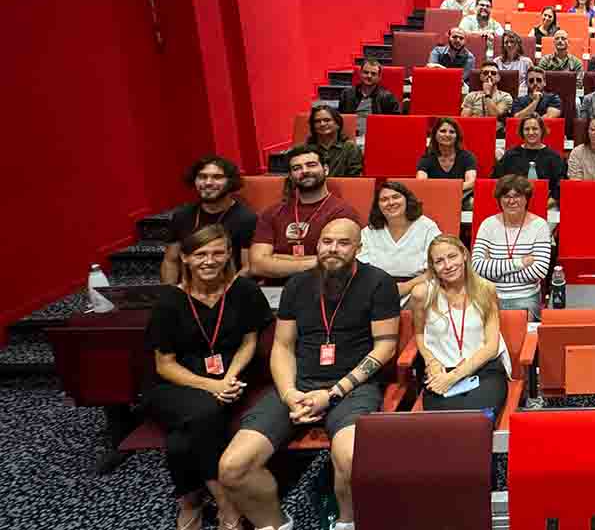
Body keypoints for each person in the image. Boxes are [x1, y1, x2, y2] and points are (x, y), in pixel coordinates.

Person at [218, 219, 399, 530]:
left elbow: (385, 346)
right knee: (233, 467)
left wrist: (332, 394)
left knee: (352, 459)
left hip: (353, 387)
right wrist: (290, 394)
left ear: (359, 247)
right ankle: (275, 524)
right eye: (327, 241)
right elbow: (283, 347)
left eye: (343, 243)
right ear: (318, 244)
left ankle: (346, 523)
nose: (333, 248)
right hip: (298, 384)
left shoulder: (378, 283)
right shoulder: (298, 285)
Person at [145, 225, 271, 530]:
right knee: (206, 411)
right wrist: (213, 385)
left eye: (218, 252)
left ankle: (188, 501)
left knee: (180, 441)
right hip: (177, 384)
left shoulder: (244, 291)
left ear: (229, 254)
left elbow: (249, 341)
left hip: (230, 377)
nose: (209, 260)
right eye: (200, 254)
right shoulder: (168, 302)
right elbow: (165, 365)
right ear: (185, 258)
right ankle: (226, 502)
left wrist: (229, 377)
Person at [410, 235, 512, 420]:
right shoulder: (422, 294)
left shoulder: (486, 289)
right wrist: (431, 361)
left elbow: (491, 347)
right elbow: (419, 334)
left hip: (483, 369)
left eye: (452, 256)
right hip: (441, 372)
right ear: (433, 267)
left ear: (464, 255)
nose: (448, 265)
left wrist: (453, 378)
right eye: (439, 261)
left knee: (478, 421)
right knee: (445, 426)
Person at [250, 146, 362, 282]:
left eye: (311, 165)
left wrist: (277, 258)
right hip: (274, 289)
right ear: (290, 176)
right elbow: (257, 265)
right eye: (297, 168)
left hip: (323, 286)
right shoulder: (272, 213)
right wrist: (317, 260)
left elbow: (339, 262)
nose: (305, 171)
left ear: (325, 169)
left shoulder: (342, 212)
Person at [162, 156, 258, 285]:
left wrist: (220, 294)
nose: (208, 183)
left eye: (217, 177)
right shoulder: (182, 216)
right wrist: (171, 293)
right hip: (189, 289)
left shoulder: (246, 219)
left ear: (230, 181)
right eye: (202, 177)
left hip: (227, 288)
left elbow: (248, 268)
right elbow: (171, 261)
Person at [471, 175, 552, 321]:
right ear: (499, 199)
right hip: (490, 296)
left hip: (525, 298)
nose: (511, 201)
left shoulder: (539, 226)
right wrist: (520, 263)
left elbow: (539, 271)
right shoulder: (488, 225)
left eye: (517, 196)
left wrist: (494, 271)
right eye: (506, 196)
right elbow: (477, 267)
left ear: (526, 199)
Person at [357, 181, 442, 298]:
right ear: (378, 205)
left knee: (421, 293)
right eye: (384, 199)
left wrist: (407, 286)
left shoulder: (426, 227)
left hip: (416, 287)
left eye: (396, 197)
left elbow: (438, 265)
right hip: (377, 289)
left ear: (407, 200)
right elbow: (360, 269)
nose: (391, 203)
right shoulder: (369, 232)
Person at [494, 114, 565, 201]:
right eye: (527, 129)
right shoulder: (510, 155)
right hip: (513, 203)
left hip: (548, 206)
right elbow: (497, 181)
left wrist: (545, 205)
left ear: (542, 131)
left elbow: (559, 188)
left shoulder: (554, 157)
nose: (531, 132)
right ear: (522, 132)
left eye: (535, 129)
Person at [415, 116, 478, 207]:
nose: (447, 135)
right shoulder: (427, 158)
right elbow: (421, 182)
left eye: (452, 132)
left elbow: (471, 182)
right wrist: (445, 191)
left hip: (461, 197)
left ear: (457, 136)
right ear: (435, 135)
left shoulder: (467, 157)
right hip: (434, 198)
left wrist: (446, 189)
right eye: (443, 131)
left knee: (474, 203)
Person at [336, 58, 400, 138]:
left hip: (376, 137)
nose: (369, 76)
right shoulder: (347, 94)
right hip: (350, 137)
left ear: (379, 77)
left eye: (373, 74)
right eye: (366, 72)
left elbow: (395, 122)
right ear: (360, 74)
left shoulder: (387, 97)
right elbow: (339, 119)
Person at [303, 105, 363, 177]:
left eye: (327, 120)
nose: (322, 124)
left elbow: (354, 178)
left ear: (338, 124)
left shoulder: (351, 148)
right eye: (317, 121)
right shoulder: (305, 149)